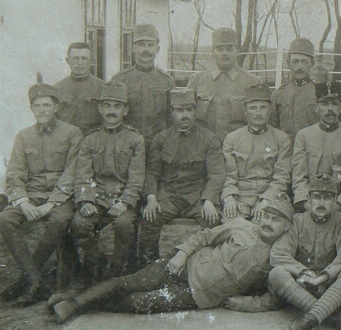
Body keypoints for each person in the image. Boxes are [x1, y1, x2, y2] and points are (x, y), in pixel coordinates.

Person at [51, 194, 295, 323]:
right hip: (183, 266)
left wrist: (244, 304)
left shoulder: (278, 257)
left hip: (196, 296)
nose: (267, 222)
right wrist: (181, 254)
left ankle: (78, 300)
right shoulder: (242, 225)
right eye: (266, 216)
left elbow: (273, 299)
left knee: (136, 304)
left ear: (287, 226)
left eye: (276, 219)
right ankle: (71, 305)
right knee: (127, 282)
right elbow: (204, 236)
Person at [0, 77, 83, 304]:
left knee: (59, 221)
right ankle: (34, 279)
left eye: (47, 105)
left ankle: (27, 280)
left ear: (56, 107)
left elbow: (72, 173)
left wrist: (51, 204)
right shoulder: (24, 136)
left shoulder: (73, 133)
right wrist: (23, 202)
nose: (42, 110)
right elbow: (14, 173)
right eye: (37, 105)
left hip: (60, 198)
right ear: (31, 108)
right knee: (4, 219)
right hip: (31, 196)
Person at [269, 175, 341, 330]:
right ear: (308, 199)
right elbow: (278, 254)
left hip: (330, 286)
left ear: (335, 200)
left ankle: (306, 321)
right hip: (302, 285)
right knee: (276, 273)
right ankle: (333, 318)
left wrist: (323, 277)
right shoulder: (297, 222)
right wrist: (305, 273)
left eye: (327, 198)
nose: (321, 203)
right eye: (316, 197)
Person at [139, 88, 226, 266]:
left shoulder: (209, 139)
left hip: (197, 196)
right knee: (149, 218)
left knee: (213, 220)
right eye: (180, 110)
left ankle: (204, 268)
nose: (185, 115)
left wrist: (209, 200)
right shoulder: (161, 138)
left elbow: (216, 173)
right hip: (170, 195)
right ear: (172, 112)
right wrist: (151, 198)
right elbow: (152, 172)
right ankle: (150, 268)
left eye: (189, 109)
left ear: (195, 111)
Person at [70, 81, 145, 282]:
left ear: (125, 110)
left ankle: (117, 273)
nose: (112, 111)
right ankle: (94, 266)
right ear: (100, 108)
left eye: (117, 106)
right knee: (79, 224)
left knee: (124, 225)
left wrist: (125, 203)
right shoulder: (90, 140)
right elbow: (83, 175)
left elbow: (137, 178)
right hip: (97, 198)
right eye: (108, 106)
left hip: (123, 198)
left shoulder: (135, 139)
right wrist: (85, 201)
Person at [291, 80, 341, 213]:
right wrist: (306, 204)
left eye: (334, 104)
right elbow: (299, 177)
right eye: (324, 104)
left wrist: (339, 204)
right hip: (310, 202)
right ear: (316, 108)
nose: (330, 109)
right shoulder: (303, 135)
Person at [222, 85, 292, 220]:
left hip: (271, 199)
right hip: (240, 199)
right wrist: (229, 197)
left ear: (270, 110)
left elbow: (282, 177)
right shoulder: (232, 139)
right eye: (253, 108)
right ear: (245, 111)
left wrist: (267, 199)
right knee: (232, 224)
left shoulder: (281, 139)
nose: (258, 113)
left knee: (269, 226)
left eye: (263, 108)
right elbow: (228, 176)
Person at [186, 27, 263, 142]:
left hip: (238, 149)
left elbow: (260, 123)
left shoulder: (253, 82)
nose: (224, 53)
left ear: (237, 51)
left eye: (229, 49)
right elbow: (185, 118)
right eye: (220, 49)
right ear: (213, 52)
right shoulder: (197, 80)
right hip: (203, 149)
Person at [111, 23, 175, 143]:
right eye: (141, 45)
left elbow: (172, 119)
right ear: (133, 48)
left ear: (158, 49)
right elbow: (111, 117)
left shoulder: (167, 81)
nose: (146, 50)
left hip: (158, 147)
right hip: (127, 145)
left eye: (150, 45)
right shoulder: (120, 80)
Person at [270, 37, 319, 141]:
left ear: (312, 64)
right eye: (295, 61)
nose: (299, 67)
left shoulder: (320, 92)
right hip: (286, 151)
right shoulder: (278, 94)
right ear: (288, 63)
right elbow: (271, 128)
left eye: (304, 61)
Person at [54, 42, 105, 135]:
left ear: (91, 61)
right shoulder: (57, 89)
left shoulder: (102, 87)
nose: (80, 62)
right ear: (68, 61)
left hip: (94, 143)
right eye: (75, 58)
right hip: (66, 142)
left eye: (84, 58)